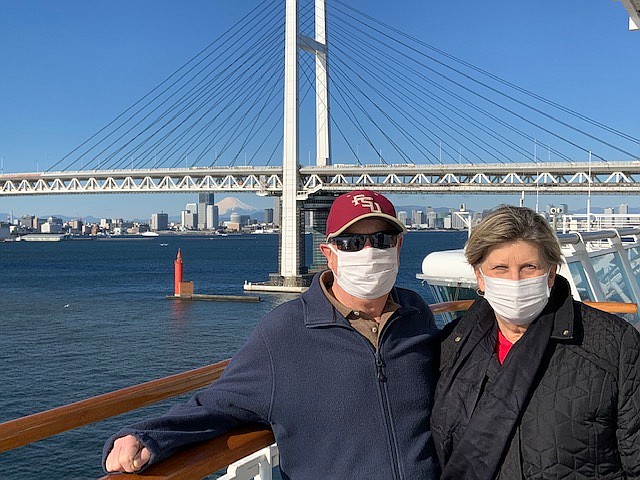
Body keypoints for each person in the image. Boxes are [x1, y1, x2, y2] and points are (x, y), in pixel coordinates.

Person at [103, 189, 440, 479]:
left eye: (381, 240)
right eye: (352, 242)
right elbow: (219, 403)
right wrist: (147, 436)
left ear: (398, 247)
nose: (369, 253)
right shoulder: (284, 332)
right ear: (329, 255)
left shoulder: (416, 313)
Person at [430, 205, 640, 480]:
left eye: (529, 267)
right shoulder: (452, 346)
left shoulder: (613, 344)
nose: (515, 281)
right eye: (500, 268)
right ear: (479, 275)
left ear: (551, 273)